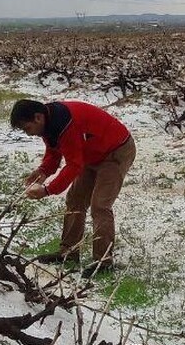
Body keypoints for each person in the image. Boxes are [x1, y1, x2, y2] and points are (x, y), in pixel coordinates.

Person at [10, 99, 135, 277]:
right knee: (75, 200)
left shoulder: (66, 123)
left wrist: (47, 190)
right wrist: (43, 171)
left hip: (116, 151)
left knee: (100, 206)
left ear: (37, 118)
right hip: (91, 155)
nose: (29, 134)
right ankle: (68, 253)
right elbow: (54, 152)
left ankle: (103, 262)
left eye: (27, 128)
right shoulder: (49, 122)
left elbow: (74, 165)